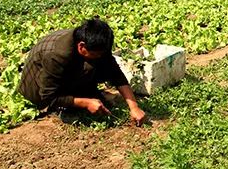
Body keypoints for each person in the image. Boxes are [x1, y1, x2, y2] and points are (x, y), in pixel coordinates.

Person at [18, 17, 147, 126]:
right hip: (37, 88)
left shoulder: (95, 43)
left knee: (96, 65)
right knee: (88, 70)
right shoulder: (56, 56)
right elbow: (48, 96)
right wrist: (85, 103)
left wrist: (134, 107)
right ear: (81, 46)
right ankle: (66, 108)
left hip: (63, 73)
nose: (100, 57)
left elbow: (115, 73)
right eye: (96, 54)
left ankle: (85, 95)